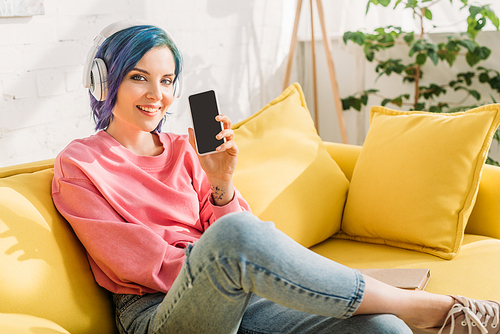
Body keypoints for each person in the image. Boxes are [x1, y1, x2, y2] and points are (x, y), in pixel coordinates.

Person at [51, 20, 499, 334]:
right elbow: (142, 265)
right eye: (138, 77)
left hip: (236, 291)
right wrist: (232, 262)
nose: (157, 95)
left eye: (167, 81)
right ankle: (429, 308)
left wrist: (222, 183)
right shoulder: (80, 164)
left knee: (383, 329)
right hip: (158, 313)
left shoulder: (185, 152)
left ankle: (401, 312)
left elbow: (230, 233)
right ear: (103, 82)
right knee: (238, 236)